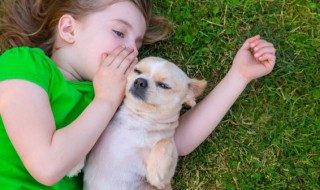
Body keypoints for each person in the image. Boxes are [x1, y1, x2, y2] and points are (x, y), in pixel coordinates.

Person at [0, 0, 276, 189]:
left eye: (137, 45)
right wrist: (105, 100)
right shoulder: (25, 64)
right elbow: (47, 166)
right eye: (119, 32)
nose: (131, 51)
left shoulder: (118, 94)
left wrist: (238, 76)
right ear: (70, 29)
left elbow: (174, 141)